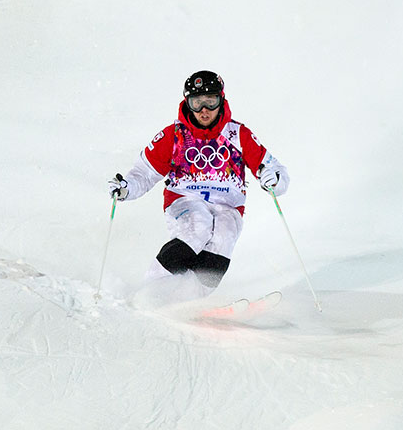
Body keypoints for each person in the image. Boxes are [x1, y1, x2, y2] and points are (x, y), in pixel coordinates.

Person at [108, 70, 290, 293]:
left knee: (225, 233)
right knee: (199, 226)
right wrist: (126, 188)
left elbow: (273, 169)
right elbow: (144, 172)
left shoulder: (238, 134)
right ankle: (153, 287)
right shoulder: (174, 135)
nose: (204, 110)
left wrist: (274, 180)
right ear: (187, 103)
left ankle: (193, 297)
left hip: (228, 204)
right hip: (185, 199)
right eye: (197, 103)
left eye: (210, 102)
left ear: (221, 100)